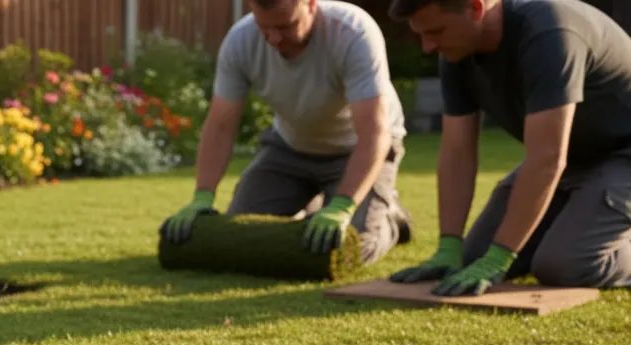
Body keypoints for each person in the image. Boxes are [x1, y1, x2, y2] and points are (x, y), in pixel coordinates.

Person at [388, 0, 631, 294]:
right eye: (422, 35)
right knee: (474, 257)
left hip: (622, 155)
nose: (428, 47)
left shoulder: (548, 34)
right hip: (575, 157)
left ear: (475, 8)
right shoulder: (457, 53)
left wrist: (502, 255)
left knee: (566, 265)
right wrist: (449, 246)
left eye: (436, 31)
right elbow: (456, 153)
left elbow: (547, 157)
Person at [160, 0, 413, 262]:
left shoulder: (352, 32)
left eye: (286, 26)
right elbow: (220, 125)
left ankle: (391, 221)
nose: (274, 38)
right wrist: (203, 195)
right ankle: (314, 206)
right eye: (264, 27)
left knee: (351, 245)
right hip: (290, 148)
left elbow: (373, 131)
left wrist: (343, 205)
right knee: (243, 231)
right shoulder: (241, 39)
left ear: (312, 5)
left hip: (357, 148)